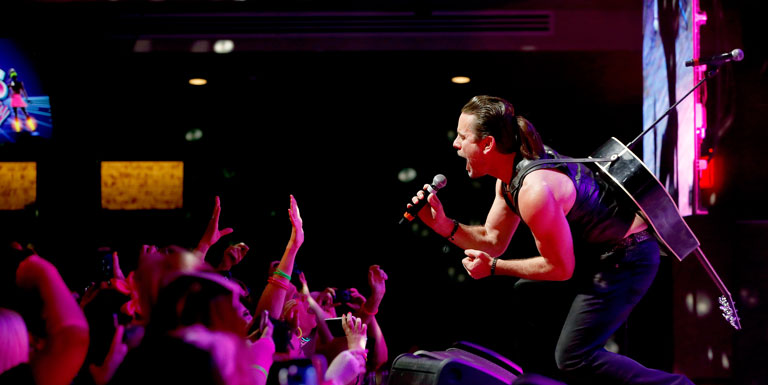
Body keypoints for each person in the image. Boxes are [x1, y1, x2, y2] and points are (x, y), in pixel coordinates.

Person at [408, 95, 694, 385]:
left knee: (575, 357)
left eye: (462, 137)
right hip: (600, 256)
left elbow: (559, 268)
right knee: (528, 294)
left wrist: (495, 267)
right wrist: (443, 225)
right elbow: (492, 239)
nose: (455, 144)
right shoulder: (509, 179)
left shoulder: (534, 189)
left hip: (628, 257)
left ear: (487, 144)